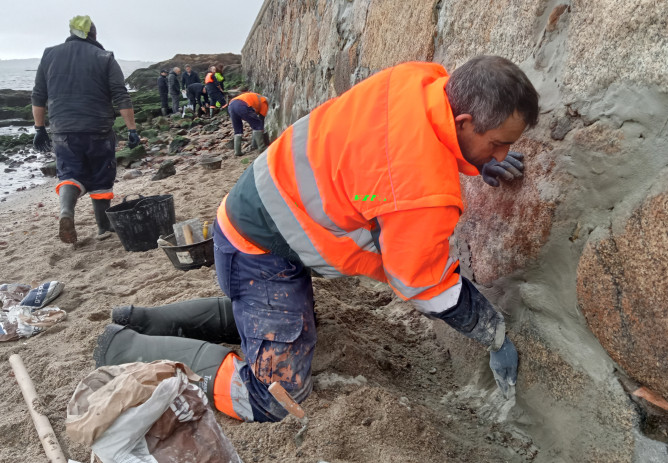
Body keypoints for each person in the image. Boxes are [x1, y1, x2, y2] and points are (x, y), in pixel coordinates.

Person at [95, 56, 539, 423]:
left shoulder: (420, 80)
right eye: (497, 144)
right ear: (463, 121)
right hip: (259, 250)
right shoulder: (418, 191)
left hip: (259, 211)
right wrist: (493, 333)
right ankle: (124, 346)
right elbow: (423, 283)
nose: (502, 155)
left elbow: (378, 182)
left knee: (294, 328)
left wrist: (475, 160)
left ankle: (142, 318)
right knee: (274, 397)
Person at [32, 15, 140, 244]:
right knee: (101, 177)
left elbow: (38, 95)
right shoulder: (104, 57)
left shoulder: (49, 55)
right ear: (94, 34)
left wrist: (39, 128)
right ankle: (103, 228)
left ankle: (66, 213)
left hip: (63, 130)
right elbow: (121, 95)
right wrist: (131, 129)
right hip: (98, 128)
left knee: (69, 174)